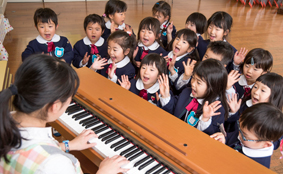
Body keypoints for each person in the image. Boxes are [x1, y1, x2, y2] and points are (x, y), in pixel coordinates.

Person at [0, 54, 129, 174]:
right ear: (54, 107)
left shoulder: (6, 119)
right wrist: (103, 172)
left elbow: (32, 152)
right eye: (70, 99)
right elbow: (46, 161)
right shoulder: (55, 164)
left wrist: (69, 145)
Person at [159, 59, 229, 135]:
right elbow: (171, 111)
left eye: (198, 82)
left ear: (213, 87)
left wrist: (205, 119)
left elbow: (212, 138)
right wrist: (165, 96)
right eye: (193, 78)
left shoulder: (216, 109)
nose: (193, 84)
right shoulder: (186, 92)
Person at [211, 103, 283, 168]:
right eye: (239, 128)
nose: (239, 134)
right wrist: (224, 139)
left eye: (244, 136)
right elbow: (230, 138)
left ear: (266, 144)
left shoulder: (260, 166)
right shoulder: (245, 133)